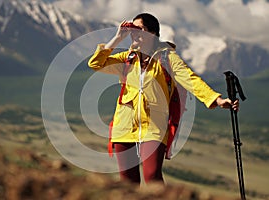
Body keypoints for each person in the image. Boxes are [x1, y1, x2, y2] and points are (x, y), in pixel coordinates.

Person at [88, 13, 239, 184]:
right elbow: (96, 63)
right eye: (132, 30)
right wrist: (117, 38)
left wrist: (217, 100)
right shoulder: (128, 58)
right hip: (124, 125)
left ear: (152, 34)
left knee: (152, 176)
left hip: (154, 126)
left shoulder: (166, 57)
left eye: (139, 30)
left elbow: (189, 78)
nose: (134, 34)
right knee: (127, 182)